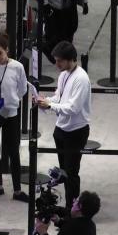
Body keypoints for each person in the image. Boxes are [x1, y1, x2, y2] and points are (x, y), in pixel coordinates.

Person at [34, 41, 92, 208]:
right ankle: (68, 207)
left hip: (76, 132)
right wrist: (45, 100)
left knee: (72, 173)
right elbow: (59, 98)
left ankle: (71, 210)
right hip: (61, 129)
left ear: (70, 59)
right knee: (64, 172)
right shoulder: (64, 75)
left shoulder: (81, 79)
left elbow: (73, 108)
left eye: (59, 61)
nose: (56, 64)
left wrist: (50, 106)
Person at [0, 34, 29, 203]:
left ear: (7, 51)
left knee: (13, 152)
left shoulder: (17, 67)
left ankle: (17, 190)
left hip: (10, 113)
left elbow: (23, 88)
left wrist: (13, 100)